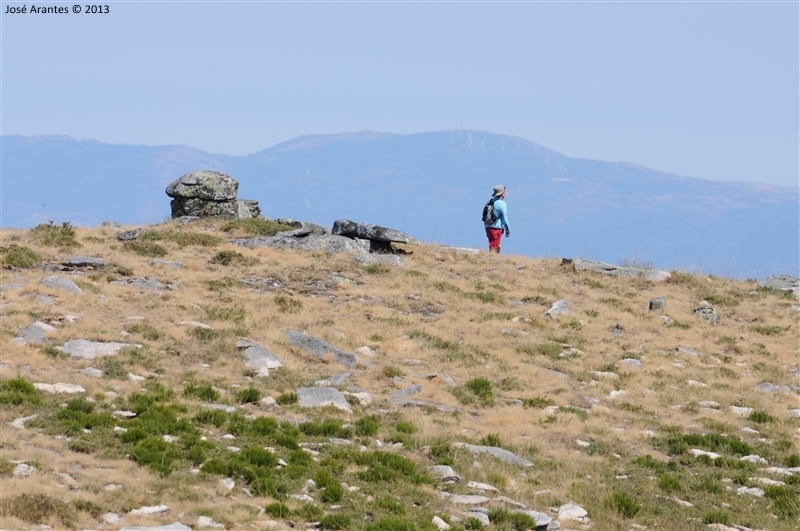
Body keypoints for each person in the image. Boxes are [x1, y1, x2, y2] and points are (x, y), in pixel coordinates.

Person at [484, 184, 510, 253]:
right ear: (502, 193)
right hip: (496, 228)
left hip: (488, 227)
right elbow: (505, 218)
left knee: (492, 245)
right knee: (495, 247)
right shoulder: (502, 204)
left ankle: (492, 257)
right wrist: (507, 230)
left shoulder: (489, 202)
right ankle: (492, 258)